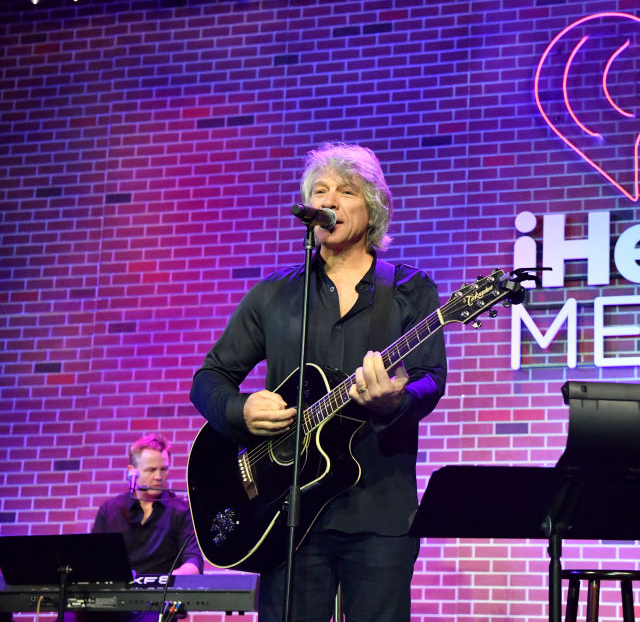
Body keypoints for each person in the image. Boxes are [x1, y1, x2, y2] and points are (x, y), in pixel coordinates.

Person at [189, 142, 447, 622]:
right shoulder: (274, 293)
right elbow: (210, 379)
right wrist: (239, 411)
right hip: (284, 516)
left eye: (345, 191)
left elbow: (431, 380)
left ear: (371, 208)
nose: (329, 200)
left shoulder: (411, 289)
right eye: (319, 191)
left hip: (380, 513)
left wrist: (395, 402)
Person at [87, 434, 203, 622]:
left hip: (156, 605)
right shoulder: (110, 510)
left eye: (163, 469)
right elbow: (93, 562)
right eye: (151, 470)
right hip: (110, 604)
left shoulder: (182, 511)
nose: (158, 477)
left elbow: (193, 563)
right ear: (132, 471)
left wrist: (165, 581)